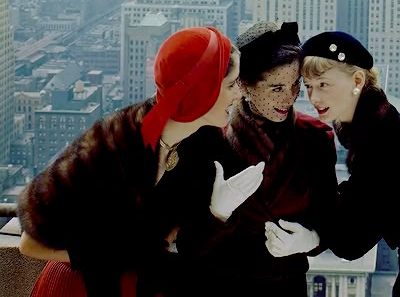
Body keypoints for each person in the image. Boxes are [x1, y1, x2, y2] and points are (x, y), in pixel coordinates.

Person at [17, 26, 265, 297]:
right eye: (231, 85)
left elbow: (188, 247)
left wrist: (218, 213)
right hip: (78, 286)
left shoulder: (205, 146)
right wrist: (122, 254)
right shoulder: (110, 145)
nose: (239, 94)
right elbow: (30, 244)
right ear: (201, 90)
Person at [265, 30, 400, 297]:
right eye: (309, 87)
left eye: (323, 84)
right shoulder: (378, 123)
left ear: (357, 80)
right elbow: (365, 198)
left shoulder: (378, 143)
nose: (314, 98)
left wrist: (314, 231)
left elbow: (351, 242)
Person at [177, 21, 338, 297]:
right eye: (276, 88)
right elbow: (187, 245)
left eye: (295, 84)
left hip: (288, 289)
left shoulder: (316, 139)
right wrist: (217, 214)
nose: (289, 98)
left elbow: (330, 219)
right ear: (244, 85)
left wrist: (312, 239)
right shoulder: (207, 139)